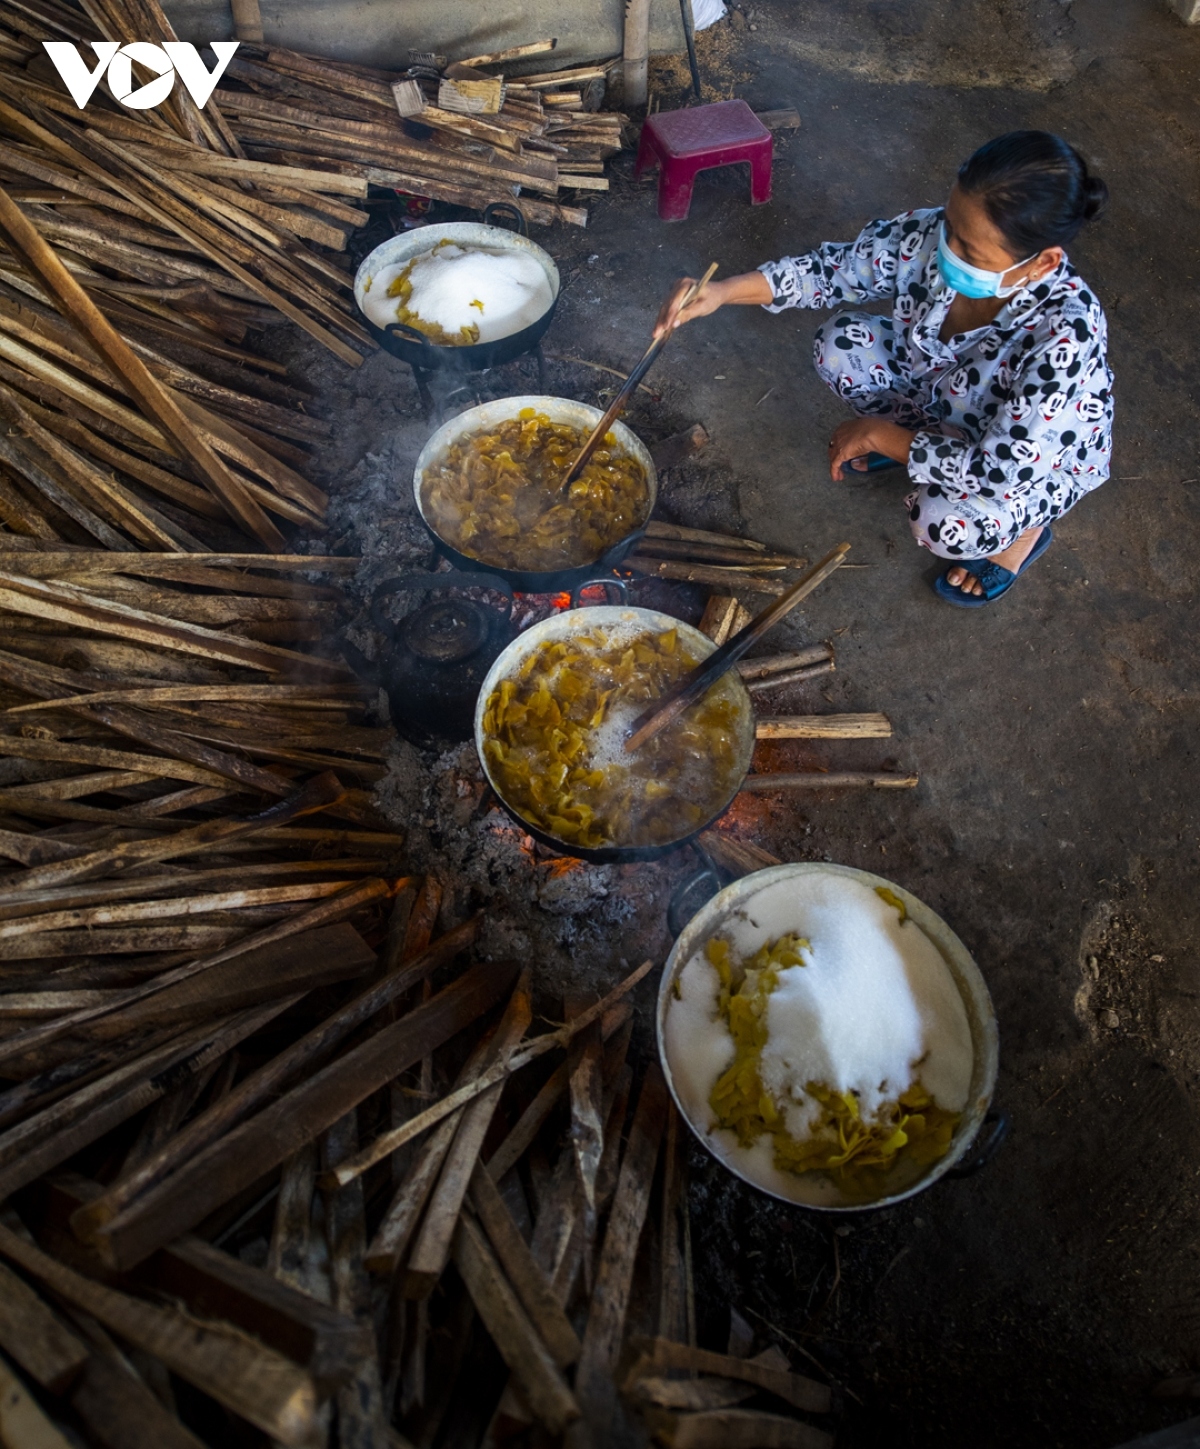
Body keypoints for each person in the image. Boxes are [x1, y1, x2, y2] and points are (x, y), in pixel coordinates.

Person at [654, 131, 1112, 606]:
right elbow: (831, 272)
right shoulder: (930, 237)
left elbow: (1000, 470)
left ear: (1042, 263)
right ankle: (910, 446)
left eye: (970, 252)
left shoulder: (1065, 335)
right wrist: (723, 292)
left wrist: (879, 435)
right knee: (841, 345)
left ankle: (1024, 536)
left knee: (943, 523)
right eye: (950, 225)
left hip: (1025, 465)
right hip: (946, 398)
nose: (947, 251)